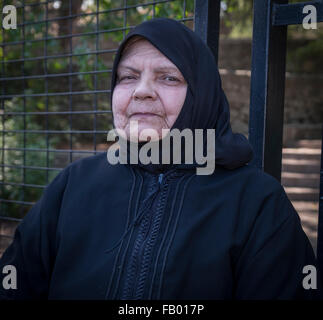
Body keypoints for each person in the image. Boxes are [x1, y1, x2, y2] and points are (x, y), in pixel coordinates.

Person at [0, 18, 321, 300]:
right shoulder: (72, 185)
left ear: (202, 95)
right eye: (128, 77)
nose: (142, 91)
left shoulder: (256, 202)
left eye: (168, 77)